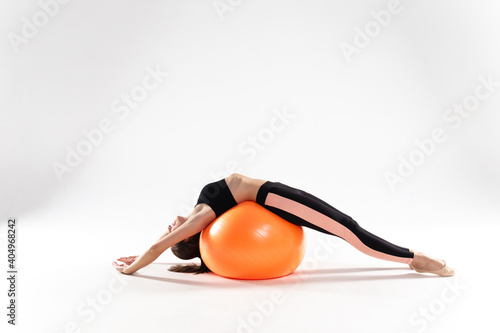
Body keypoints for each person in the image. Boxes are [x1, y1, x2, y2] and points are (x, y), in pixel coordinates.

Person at [112, 173, 455, 277]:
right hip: (275, 199)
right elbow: (162, 245)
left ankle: (413, 257)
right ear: (191, 237)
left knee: (348, 228)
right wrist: (135, 267)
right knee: (350, 231)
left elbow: (163, 240)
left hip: (277, 196)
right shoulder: (204, 218)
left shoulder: (199, 212)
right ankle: (415, 258)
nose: (169, 226)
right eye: (174, 232)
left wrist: (139, 254)